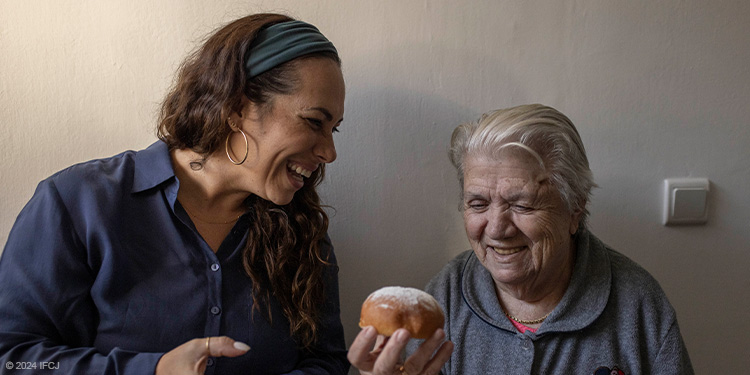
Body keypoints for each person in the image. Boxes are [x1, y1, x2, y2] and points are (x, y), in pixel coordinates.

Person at [0, 13, 349, 375]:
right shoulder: (78, 203)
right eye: (313, 121)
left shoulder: (303, 230)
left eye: (333, 130)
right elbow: (11, 357)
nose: (329, 152)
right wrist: (153, 370)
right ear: (238, 107)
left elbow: (325, 362)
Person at [411, 104, 693, 374]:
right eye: (478, 204)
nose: (496, 229)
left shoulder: (639, 305)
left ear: (575, 209)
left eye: (522, 206)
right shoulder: (443, 297)